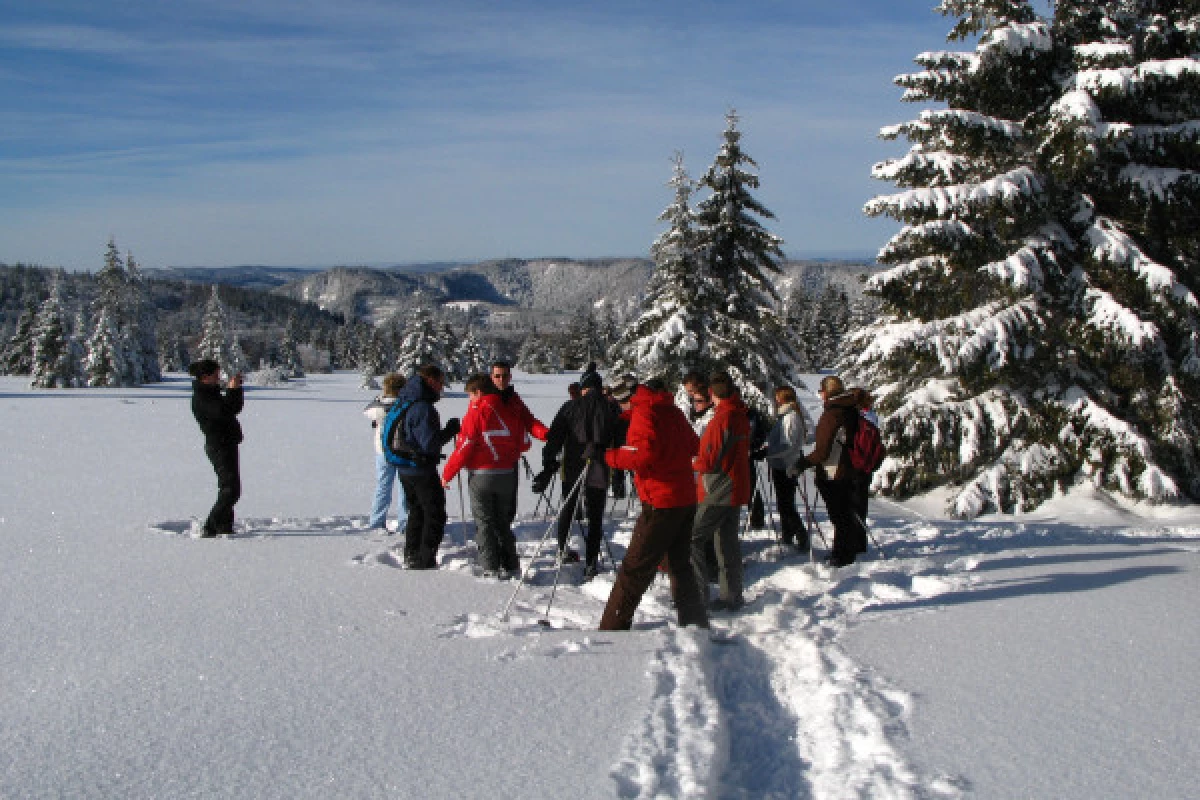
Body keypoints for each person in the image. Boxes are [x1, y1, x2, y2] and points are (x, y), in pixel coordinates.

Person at [599, 379, 709, 631]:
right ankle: (696, 625)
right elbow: (694, 445)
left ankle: (611, 630)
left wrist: (607, 456)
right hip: (683, 498)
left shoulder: (644, 413)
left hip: (661, 501)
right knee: (680, 566)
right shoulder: (672, 410)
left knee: (634, 569)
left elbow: (642, 454)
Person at [441, 374, 527, 576]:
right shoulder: (509, 410)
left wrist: (447, 474)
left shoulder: (476, 413)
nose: (470, 400)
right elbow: (524, 442)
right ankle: (511, 564)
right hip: (507, 473)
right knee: (503, 521)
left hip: (482, 475)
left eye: (470, 396)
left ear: (478, 392)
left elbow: (465, 447)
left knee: (485, 523)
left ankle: (490, 567)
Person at [535, 370, 618, 579]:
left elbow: (554, 437)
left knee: (568, 509)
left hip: (572, 465)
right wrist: (618, 474)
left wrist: (548, 463)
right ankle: (591, 563)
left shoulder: (570, 406)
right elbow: (618, 441)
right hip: (600, 465)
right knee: (595, 516)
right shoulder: (610, 408)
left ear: (583, 388)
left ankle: (563, 550)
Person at [788, 375, 869, 567]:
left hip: (834, 471)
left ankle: (842, 556)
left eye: (821, 391)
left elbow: (822, 451)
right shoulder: (851, 410)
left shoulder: (832, 415)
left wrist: (801, 464)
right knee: (845, 513)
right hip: (849, 468)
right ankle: (848, 551)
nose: (820, 395)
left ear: (826, 392)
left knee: (839, 516)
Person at [690, 371, 752, 611]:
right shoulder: (739, 414)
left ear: (711, 393)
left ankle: (697, 598)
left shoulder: (723, 418)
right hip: (735, 486)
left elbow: (708, 460)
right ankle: (732, 595)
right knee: (726, 542)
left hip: (718, 489)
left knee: (692, 538)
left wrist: (692, 462)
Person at [393, 364, 460, 569]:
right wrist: (449, 431)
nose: (442, 387)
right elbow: (429, 443)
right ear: (430, 381)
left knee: (417, 511)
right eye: (440, 382)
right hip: (420, 467)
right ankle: (424, 558)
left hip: (404, 466)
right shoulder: (423, 407)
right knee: (434, 513)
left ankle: (412, 553)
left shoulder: (406, 398)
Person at [189, 359, 243, 538]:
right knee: (231, 490)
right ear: (205, 377)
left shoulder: (210, 393)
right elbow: (226, 410)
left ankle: (224, 525)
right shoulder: (203, 397)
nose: (219, 378)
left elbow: (232, 408)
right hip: (219, 445)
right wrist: (233, 390)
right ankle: (211, 526)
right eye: (216, 375)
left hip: (226, 443)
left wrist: (234, 390)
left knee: (229, 488)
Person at [490, 360, 549, 524]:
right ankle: (491, 547)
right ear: (492, 377)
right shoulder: (485, 399)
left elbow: (529, 421)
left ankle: (505, 543)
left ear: (510, 377)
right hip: (489, 463)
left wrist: (547, 434)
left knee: (509, 507)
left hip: (510, 460)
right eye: (497, 376)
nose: (501, 379)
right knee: (491, 510)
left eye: (505, 376)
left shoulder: (513, 399)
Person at [363, 372, 409, 533]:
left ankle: (376, 521)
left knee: (382, 487)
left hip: (382, 451)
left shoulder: (377, 406)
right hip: (402, 450)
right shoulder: (404, 404)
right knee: (405, 488)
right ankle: (404, 523)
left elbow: (366, 412)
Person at [764, 385, 809, 551]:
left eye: (777, 397)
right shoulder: (785, 415)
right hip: (781, 464)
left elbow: (788, 445)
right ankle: (788, 533)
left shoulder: (790, 417)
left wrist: (768, 452)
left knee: (787, 504)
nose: (775, 400)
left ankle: (800, 534)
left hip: (786, 466)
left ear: (782, 398)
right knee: (784, 503)